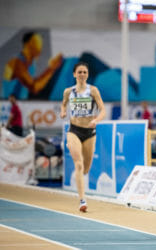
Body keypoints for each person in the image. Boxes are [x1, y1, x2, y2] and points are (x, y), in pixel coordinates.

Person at [60, 62, 106, 212]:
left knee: (86, 168)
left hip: (89, 132)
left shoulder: (93, 91)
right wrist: (63, 112)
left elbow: (103, 110)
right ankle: (82, 200)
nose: (82, 75)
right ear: (74, 74)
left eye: (85, 72)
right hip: (74, 130)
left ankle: (76, 152)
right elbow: (63, 104)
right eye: (79, 72)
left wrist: (96, 120)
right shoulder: (68, 91)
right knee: (78, 164)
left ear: (88, 74)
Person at [2, 31, 63, 99]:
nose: (41, 46)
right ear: (29, 44)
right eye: (38, 41)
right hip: (9, 103)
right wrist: (51, 69)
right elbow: (34, 87)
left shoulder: (30, 64)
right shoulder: (16, 62)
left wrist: (51, 68)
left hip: (20, 102)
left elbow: (34, 84)